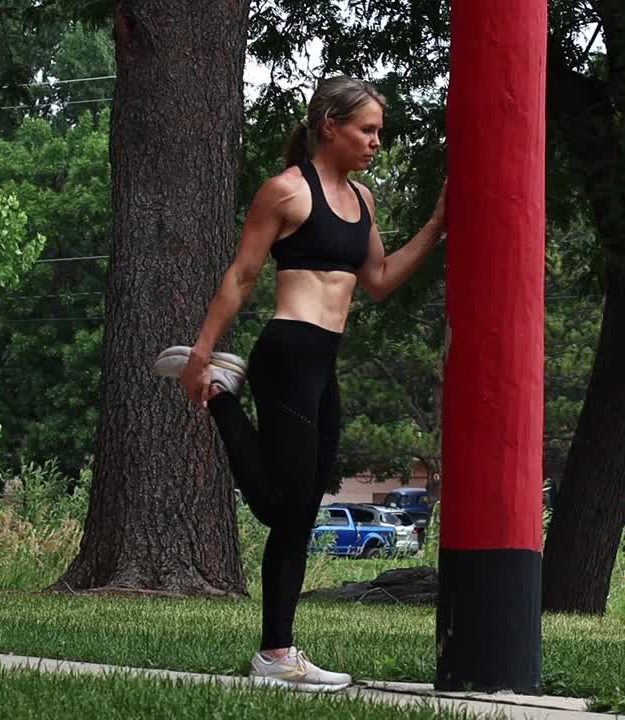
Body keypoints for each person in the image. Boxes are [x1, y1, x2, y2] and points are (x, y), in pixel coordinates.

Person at [154, 75, 445, 693]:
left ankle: (276, 653)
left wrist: (440, 221)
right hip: (287, 354)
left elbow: (382, 279)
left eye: (379, 133)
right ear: (329, 126)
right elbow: (241, 275)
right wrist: (202, 354)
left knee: (299, 511)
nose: (374, 143)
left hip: (323, 363)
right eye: (366, 130)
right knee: (279, 506)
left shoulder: (363, 201)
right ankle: (225, 399)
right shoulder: (286, 191)